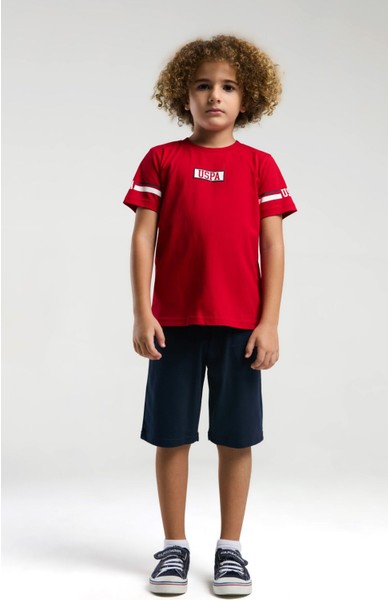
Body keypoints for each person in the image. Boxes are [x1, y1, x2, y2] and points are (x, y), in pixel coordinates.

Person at [122, 34, 298, 596]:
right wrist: (142, 312)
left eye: (227, 87)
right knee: (171, 436)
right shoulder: (162, 160)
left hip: (240, 328)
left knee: (235, 438)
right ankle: (173, 546)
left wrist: (269, 322)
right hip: (172, 326)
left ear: (248, 99)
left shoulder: (260, 166)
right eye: (203, 86)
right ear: (184, 95)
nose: (214, 96)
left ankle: (230, 550)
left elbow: (272, 247)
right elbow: (143, 239)